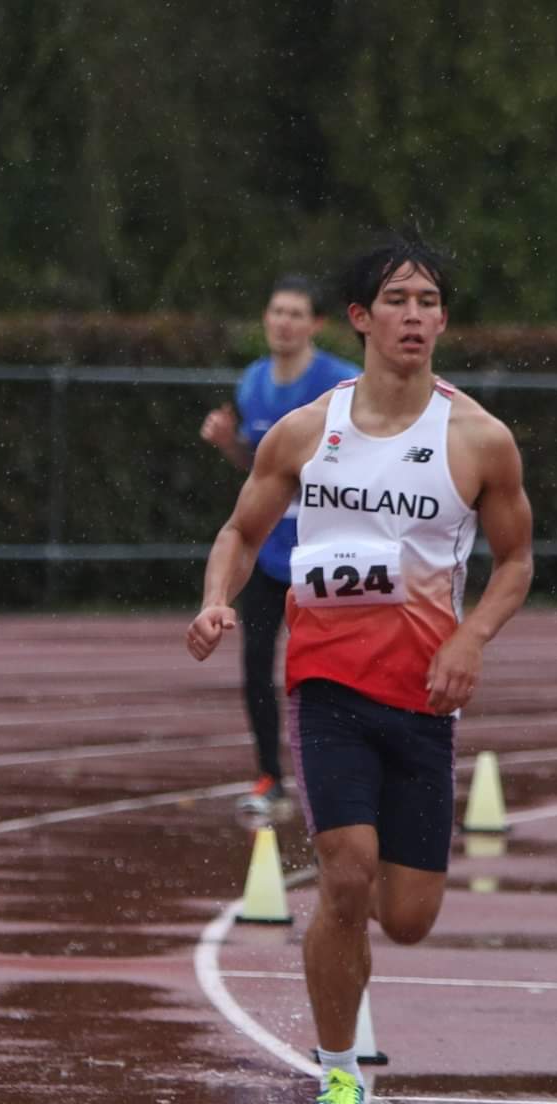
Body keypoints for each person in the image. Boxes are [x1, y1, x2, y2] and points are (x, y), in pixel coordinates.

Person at [186, 235, 535, 1104]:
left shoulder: (479, 438)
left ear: (443, 319)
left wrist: (470, 638)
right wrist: (217, 601)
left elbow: (517, 561)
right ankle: (339, 1076)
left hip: (422, 696)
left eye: (429, 301)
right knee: (345, 876)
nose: (415, 315)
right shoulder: (311, 430)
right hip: (328, 684)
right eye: (398, 300)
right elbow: (240, 529)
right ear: (362, 319)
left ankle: (349, 944)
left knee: (408, 915)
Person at [200, 277, 359, 825]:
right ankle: (270, 776)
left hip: (327, 556)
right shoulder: (252, 384)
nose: (284, 322)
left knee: (330, 673)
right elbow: (262, 467)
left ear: (315, 324)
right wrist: (229, 444)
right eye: (276, 311)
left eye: (296, 313)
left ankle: (345, 777)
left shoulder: (341, 384)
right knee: (255, 666)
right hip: (271, 556)